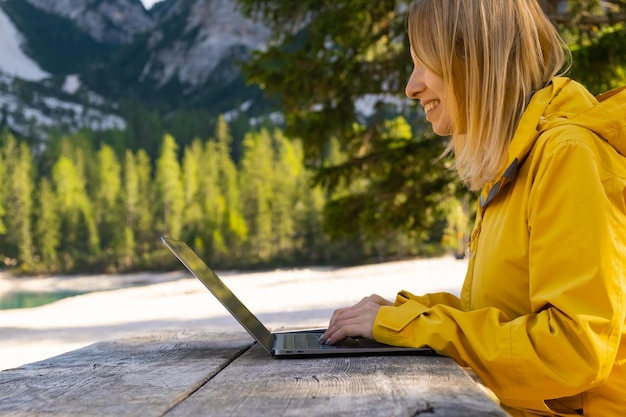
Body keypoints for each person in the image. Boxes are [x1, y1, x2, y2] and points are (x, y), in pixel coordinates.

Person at [320, 1, 626, 416]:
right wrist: (406, 314)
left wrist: (415, 326)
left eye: (423, 62)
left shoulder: (567, 156)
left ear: (475, 58)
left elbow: (574, 351)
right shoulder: (520, 162)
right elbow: (504, 317)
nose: (411, 87)